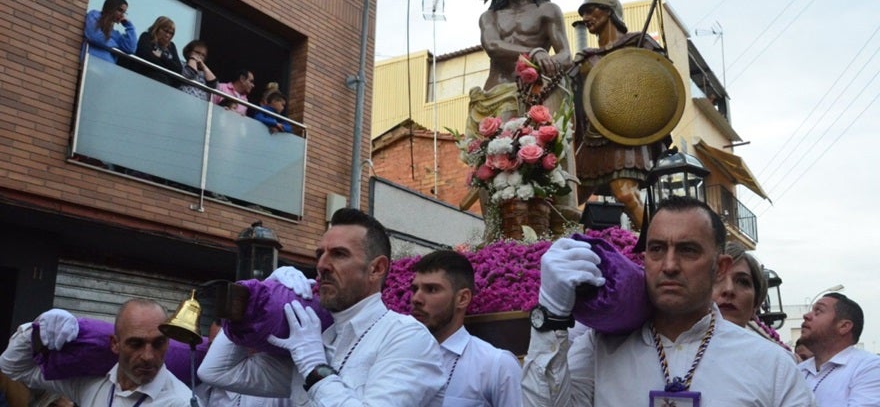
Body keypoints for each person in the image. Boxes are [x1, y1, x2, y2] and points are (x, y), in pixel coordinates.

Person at [521, 195, 815, 406]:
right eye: (657, 249)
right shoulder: (600, 348)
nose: (670, 265)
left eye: (688, 250)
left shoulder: (771, 364)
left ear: (720, 267)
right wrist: (551, 314)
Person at [197, 208, 445, 406]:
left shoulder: (406, 336)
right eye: (320, 254)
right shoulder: (311, 339)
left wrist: (314, 367)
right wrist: (260, 293)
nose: (322, 265)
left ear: (377, 268)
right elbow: (215, 371)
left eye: (339, 254)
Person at [469, 0, 577, 237]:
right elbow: (493, 45)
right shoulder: (490, 16)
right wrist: (536, 53)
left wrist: (553, 60)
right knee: (489, 159)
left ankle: (558, 222)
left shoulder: (547, 11)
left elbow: (566, 54)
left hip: (539, 93)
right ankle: (493, 228)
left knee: (550, 149)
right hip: (498, 91)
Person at [572, 0, 672, 229]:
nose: (586, 17)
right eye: (583, 13)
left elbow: (662, 82)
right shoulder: (586, 57)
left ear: (609, 11)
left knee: (625, 193)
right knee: (566, 199)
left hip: (625, 133)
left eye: (591, 10)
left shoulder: (639, 43)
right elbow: (570, 96)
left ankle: (653, 246)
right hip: (592, 137)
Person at [0, 299, 192, 406]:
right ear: (115, 344)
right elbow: (14, 368)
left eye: (158, 343)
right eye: (135, 344)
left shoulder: (181, 403)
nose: (148, 356)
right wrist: (36, 329)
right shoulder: (92, 383)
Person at [410, 250, 522, 406]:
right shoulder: (396, 356)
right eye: (415, 289)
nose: (416, 299)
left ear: (462, 299)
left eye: (432, 289)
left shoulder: (495, 365)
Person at [797, 292, 880, 406]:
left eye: (818, 311)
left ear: (844, 326)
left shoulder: (871, 368)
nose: (807, 316)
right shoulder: (798, 371)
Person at [195, 321, 291, 407]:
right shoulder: (204, 390)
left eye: (223, 349)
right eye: (212, 346)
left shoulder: (274, 384)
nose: (215, 353)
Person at [81, 0, 137, 64]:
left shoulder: (115, 34)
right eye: (120, 10)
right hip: (89, 65)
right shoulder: (94, 15)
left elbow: (130, 48)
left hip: (106, 69)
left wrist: (129, 26)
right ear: (111, 7)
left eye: (124, 12)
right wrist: (115, 45)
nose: (122, 15)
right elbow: (95, 36)